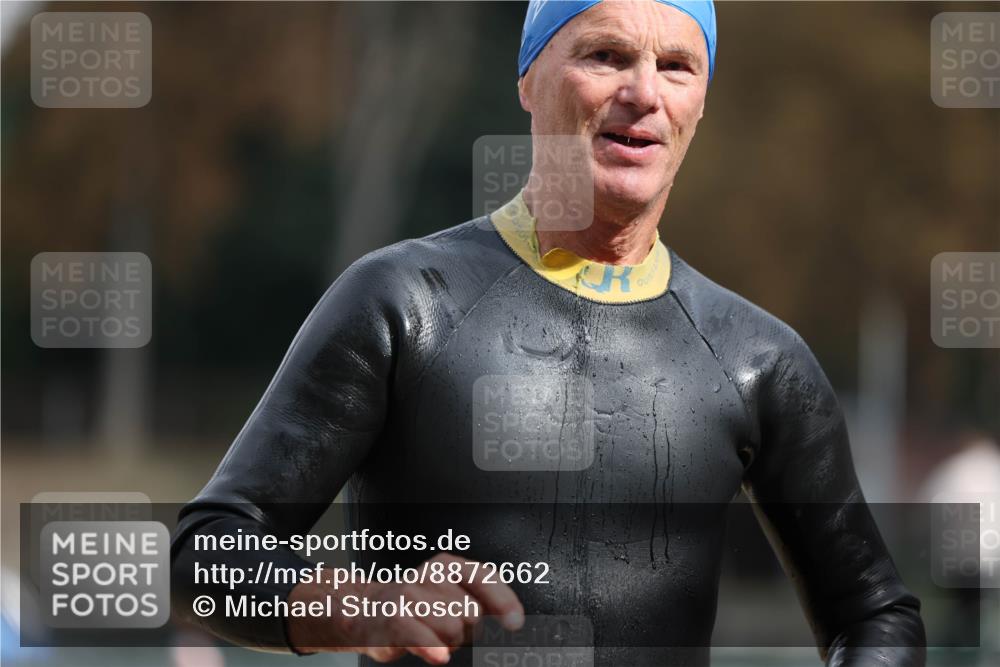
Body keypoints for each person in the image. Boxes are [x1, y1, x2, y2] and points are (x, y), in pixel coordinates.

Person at [171, 1, 926, 665]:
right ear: (529, 79)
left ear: (702, 104)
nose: (643, 93)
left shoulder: (756, 359)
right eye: (606, 55)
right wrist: (358, 604)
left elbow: (874, 615)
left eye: (677, 66)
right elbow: (202, 555)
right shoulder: (404, 302)